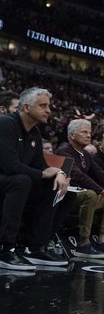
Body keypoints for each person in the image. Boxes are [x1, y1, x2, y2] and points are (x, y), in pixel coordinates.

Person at [0, 87, 69, 270]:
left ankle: (35, 247)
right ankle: (5, 249)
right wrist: (42, 174)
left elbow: (40, 164)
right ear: (27, 107)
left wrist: (59, 173)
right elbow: (9, 166)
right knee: (22, 180)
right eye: (43, 105)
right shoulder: (6, 123)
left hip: (14, 182)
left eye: (49, 106)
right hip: (7, 178)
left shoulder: (35, 133)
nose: (48, 110)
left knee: (52, 185)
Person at [55, 119, 104, 258]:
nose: (88, 135)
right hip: (65, 197)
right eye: (84, 132)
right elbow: (77, 175)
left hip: (80, 195)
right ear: (72, 135)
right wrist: (102, 191)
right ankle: (83, 243)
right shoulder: (63, 150)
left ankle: (103, 242)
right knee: (90, 194)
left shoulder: (85, 154)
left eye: (89, 132)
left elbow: (101, 175)